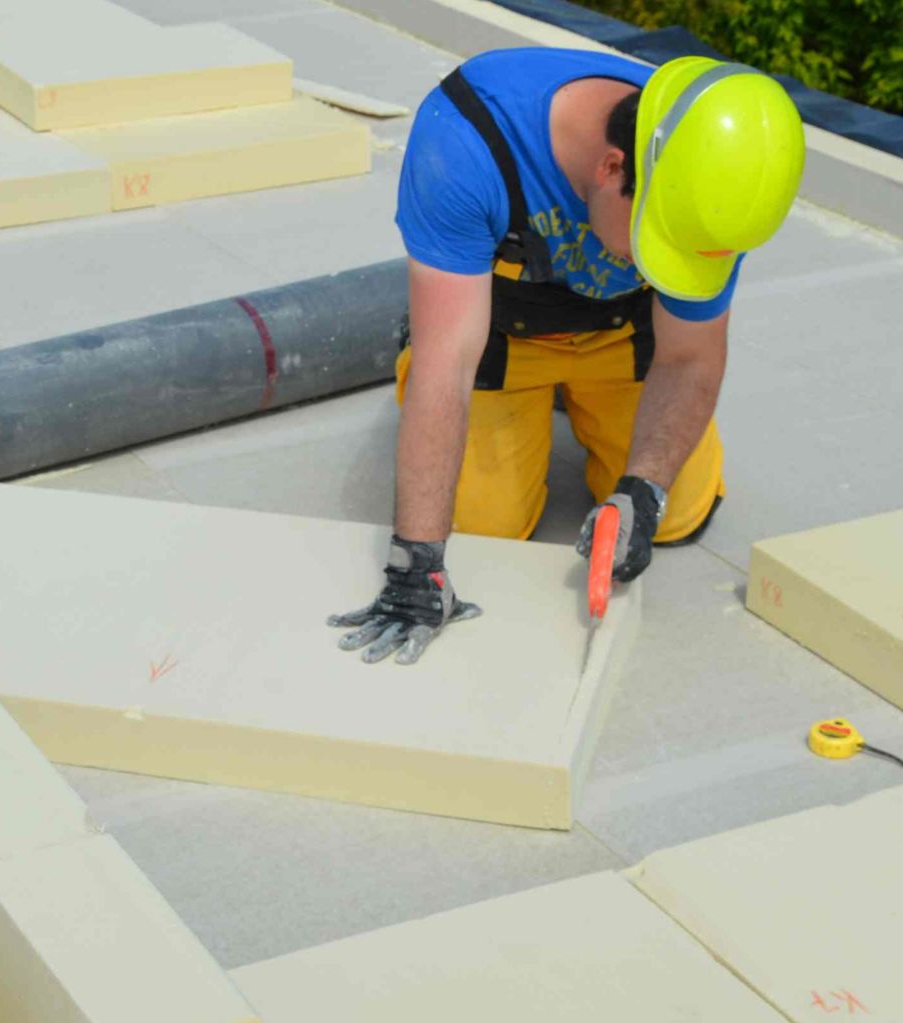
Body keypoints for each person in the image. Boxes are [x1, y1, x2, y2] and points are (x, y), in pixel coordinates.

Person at [330, 49, 805, 664]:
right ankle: (478, 362)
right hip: (503, 332)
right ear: (612, 168)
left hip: (621, 331)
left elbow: (689, 357)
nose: (655, 261)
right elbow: (446, 367)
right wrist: (415, 568)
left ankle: (590, 414)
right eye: (655, 244)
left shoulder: (712, 183)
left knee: (678, 513)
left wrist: (644, 489)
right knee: (484, 529)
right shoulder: (468, 141)